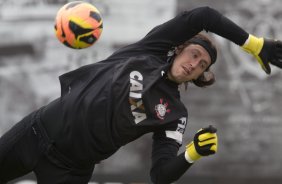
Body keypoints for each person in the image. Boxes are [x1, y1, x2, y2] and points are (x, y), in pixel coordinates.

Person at [0, 6, 282, 184]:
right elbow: (204, 16)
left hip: (70, 171)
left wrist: (192, 153)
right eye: (194, 55)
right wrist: (254, 44)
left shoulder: (174, 114)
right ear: (179, 48)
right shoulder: (148, 50)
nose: (194, 64)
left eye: (202, 66)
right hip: (36, 133)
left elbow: (160, 175)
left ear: (200, 77)